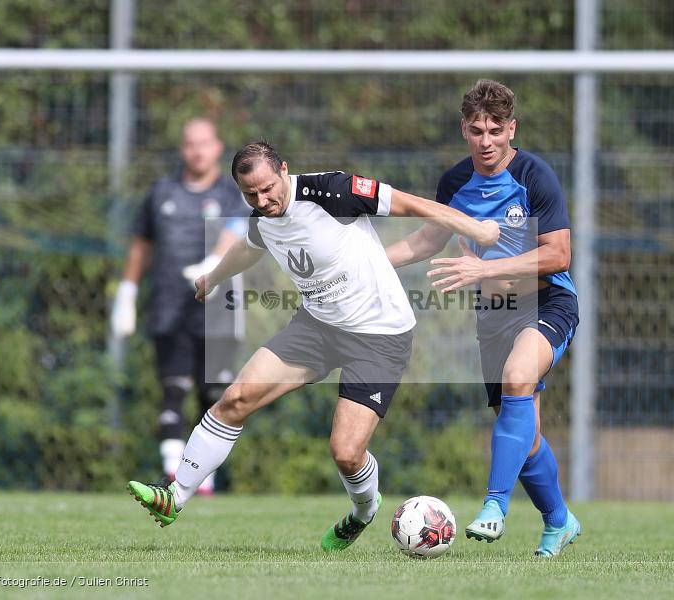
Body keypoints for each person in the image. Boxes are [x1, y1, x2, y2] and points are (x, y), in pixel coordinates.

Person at [127, 141, 499, 550]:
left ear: (284, 169)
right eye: (251, 194)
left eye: (268, 188)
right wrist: (212, 278)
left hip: (380, 337)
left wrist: (476, 227)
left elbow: (414, 205)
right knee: (234, 399)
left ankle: (363, 510)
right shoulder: (263, 217)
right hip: (316, 329)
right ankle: (174, 497)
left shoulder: (333, 192)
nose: (263, 200)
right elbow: (248, 247)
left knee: (345, 452)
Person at [386, 79, 581, 557]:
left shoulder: (535, 177)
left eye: (497, 129)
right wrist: (365, 264)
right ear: (464, 130)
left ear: (512, 128)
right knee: (525, 435)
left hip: (546, 303)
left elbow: (558, 255)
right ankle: (559, 521)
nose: (487, 140)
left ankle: (494, 506)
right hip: (495, 314)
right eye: (477, 130)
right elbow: (426, 242)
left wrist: (484, 267)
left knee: (518, 377)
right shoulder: (454, 182)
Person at [111, 118, 251, 495]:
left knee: (214, 395)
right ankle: (175, 474)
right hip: (169, 304)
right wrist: (126, 292)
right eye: (190, 143)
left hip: (219, 308)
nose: (197, 150)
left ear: (217, 147)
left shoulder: (231, 193)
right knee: (172, 392)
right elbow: (141, 245)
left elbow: (238, 230)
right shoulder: (161, 192)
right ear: (182, 149)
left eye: (204, 143)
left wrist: (214, 265)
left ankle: (204, 476)